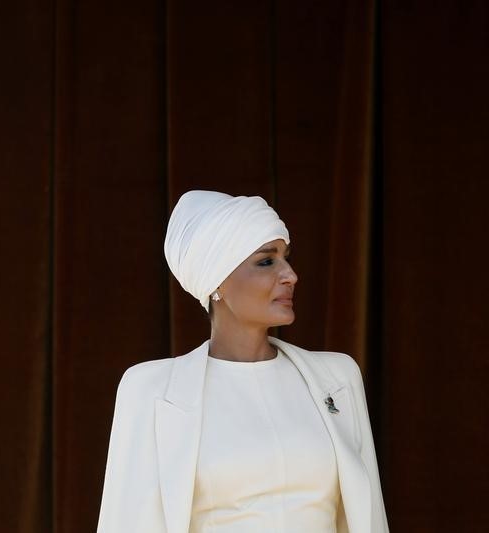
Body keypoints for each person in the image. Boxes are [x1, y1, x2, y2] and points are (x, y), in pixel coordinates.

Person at [96, 191, 388, 533]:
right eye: (267, 261)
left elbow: (369, 519)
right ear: (216, 280)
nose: (290, 275)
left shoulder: (336, 378)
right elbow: (126, 522)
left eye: (286, 258)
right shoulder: (152, 389)